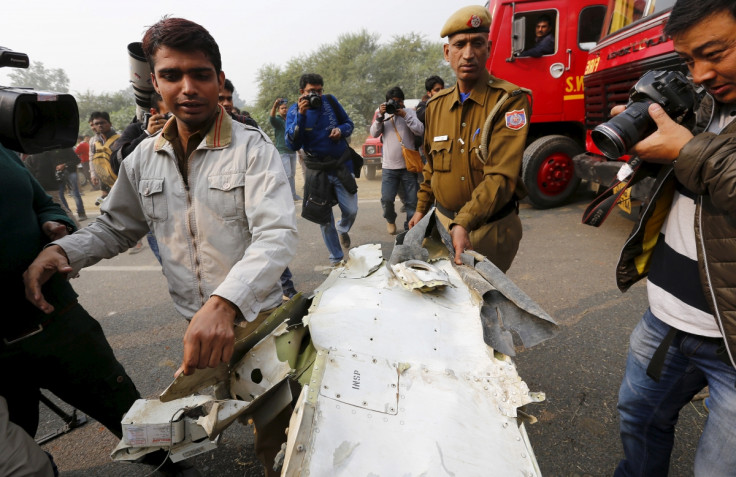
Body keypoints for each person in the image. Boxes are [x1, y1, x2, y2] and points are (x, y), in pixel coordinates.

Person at [23, 17, 297, 475]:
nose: (187, 87)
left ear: (219, 79)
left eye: (200, 74)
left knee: (281, 439)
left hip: (258, 320)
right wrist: (66, 251)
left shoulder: (253, 149)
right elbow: (116, 226)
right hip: (198, 325)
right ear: (154, 83)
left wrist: (225, 303)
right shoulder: (142, 158)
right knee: (214, 417)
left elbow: (277, 234)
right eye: (172, 75)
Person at [606, 1, 736, 475]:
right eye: (687, 62)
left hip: (731, 345)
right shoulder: (704, 100)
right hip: (666, 321)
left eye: (713, 53)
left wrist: (687, 148)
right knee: (638, 420)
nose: (699, 74)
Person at [0, 142, 142, 472]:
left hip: (59, 322)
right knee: (18, 453)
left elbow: (46, 205)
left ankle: (169, 461)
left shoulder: (3, 151)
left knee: (130, 417)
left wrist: (55, 225)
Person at [409, 5, 531, 272]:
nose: (468, 54)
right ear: (447, 52)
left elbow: (500, 176)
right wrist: (421, 207)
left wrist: (463, 222)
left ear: (487, 48)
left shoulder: (509, 101)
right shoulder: (435, 106)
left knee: (485, 302)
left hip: (490, 230)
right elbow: (431, 166)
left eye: (477, 44)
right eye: (459, 44)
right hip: (443, 223)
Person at [222, 92, 299, 300]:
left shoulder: (247, 130)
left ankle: (286, 288)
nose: (226, 104)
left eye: (228, 98)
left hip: (252, 196)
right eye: (221, 99)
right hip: (226, 204)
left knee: (268, 240)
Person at [285, 73, 357, 267]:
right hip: (316, 170)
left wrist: (341, 131)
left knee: (351, 210)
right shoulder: (293, 112)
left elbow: (349, 123)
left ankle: (343, 228)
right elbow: (292, 144)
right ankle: (336, 258)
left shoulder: (330, 102)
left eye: (319, 90)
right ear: (301, 93)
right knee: (324, 219)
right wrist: (301, 116)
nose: (316, 95)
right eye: (311, 91)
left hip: (341, 165)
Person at [112, 90, 171, 262]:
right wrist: (147, 135)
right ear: (154, 113)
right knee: (172, 269)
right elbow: (117, 163)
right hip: (155, 213)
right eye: (170, 113)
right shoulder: (137, 130)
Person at [370, 86, 423, 234]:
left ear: (403, 102)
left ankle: (410, 229)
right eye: (393, 102)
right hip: (389, 167)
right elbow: (374, 133)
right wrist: (380, 117)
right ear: (386, 102)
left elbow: (420, 130)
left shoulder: (410, 113)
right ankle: (390, 219)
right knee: (387, 200)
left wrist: (405, 115)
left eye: (399, 102)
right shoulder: (383, 115)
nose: (396, 104)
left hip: (409, 166)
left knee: (412, 202)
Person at [24, 147, 82, 227]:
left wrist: (64, 165)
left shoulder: (41, 153)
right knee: (59, 205)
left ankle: (76, 226)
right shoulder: (38, 153)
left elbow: (40, 172)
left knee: (61, 206)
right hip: (50, 183)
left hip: (49, 184)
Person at [270, 97, 300, 200]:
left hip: (292, 150)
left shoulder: (290, 120)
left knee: (292, 174)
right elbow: (271, 118)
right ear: (279, 110)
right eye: (282, 108)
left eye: (286, 108)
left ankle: (293, 195)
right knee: (287, 174)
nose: (285, 109)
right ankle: (288, 196)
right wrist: (274, 105)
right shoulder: (278, 121)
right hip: (283, 151)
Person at [88, 111, 119, 206]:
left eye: (102, 123)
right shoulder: (94, 142)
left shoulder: (120, 139)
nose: (100, 126)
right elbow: (92, 159)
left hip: (120, 182)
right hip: (104, 181)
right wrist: (93, 174)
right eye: (96, 124)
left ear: (109, 124)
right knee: (106, 209)